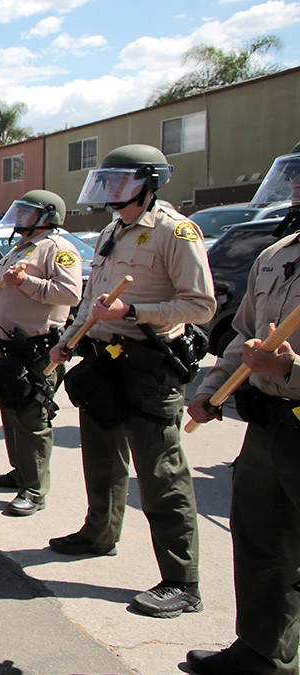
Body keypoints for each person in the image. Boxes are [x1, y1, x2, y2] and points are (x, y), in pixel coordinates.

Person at [46, 144, 215, 619]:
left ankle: (182, 581)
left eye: (120, 182)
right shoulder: (111, 230)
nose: (111, 192)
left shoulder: (175, 232)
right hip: (104, 361)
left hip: (148, 366)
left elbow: (201, 305)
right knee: (101, 459)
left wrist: (135, 311)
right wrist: (70, 339)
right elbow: (92, 296)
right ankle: (99, 533)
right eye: (109, 183)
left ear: (148, 182)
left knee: (161, 474)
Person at [183, 143, 300, 675]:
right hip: (269, 429)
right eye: (295, 178)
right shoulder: (278, 254)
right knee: (259, 540)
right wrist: (212, 388)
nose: (296, 190)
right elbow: (244, 337)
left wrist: (290, 371)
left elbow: (276, 359)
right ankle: (262, 651)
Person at [0, 191, 83, 516]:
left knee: (32, 418)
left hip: (35, 349)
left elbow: (70, 293)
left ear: (46, 216)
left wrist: (27, 282)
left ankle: (34, 489)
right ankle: (20, 471)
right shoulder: (21, 247)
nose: (19, 216)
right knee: (11, 412)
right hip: (9, 347)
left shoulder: (58, 248)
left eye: (27, 212)